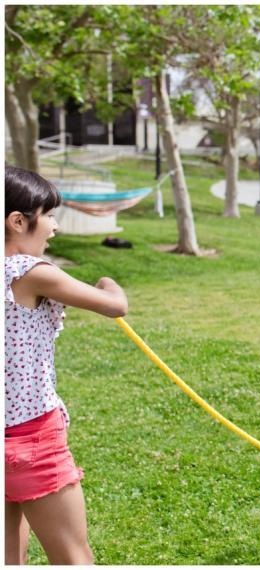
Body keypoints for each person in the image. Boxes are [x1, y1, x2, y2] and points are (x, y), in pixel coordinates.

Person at [5, 166, 128, 564]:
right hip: (31, 438)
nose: (55, 227)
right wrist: (108, 280)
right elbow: (114, 305)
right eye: (50, 215)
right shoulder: (29, 272)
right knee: (74, 558)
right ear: (18, 221)